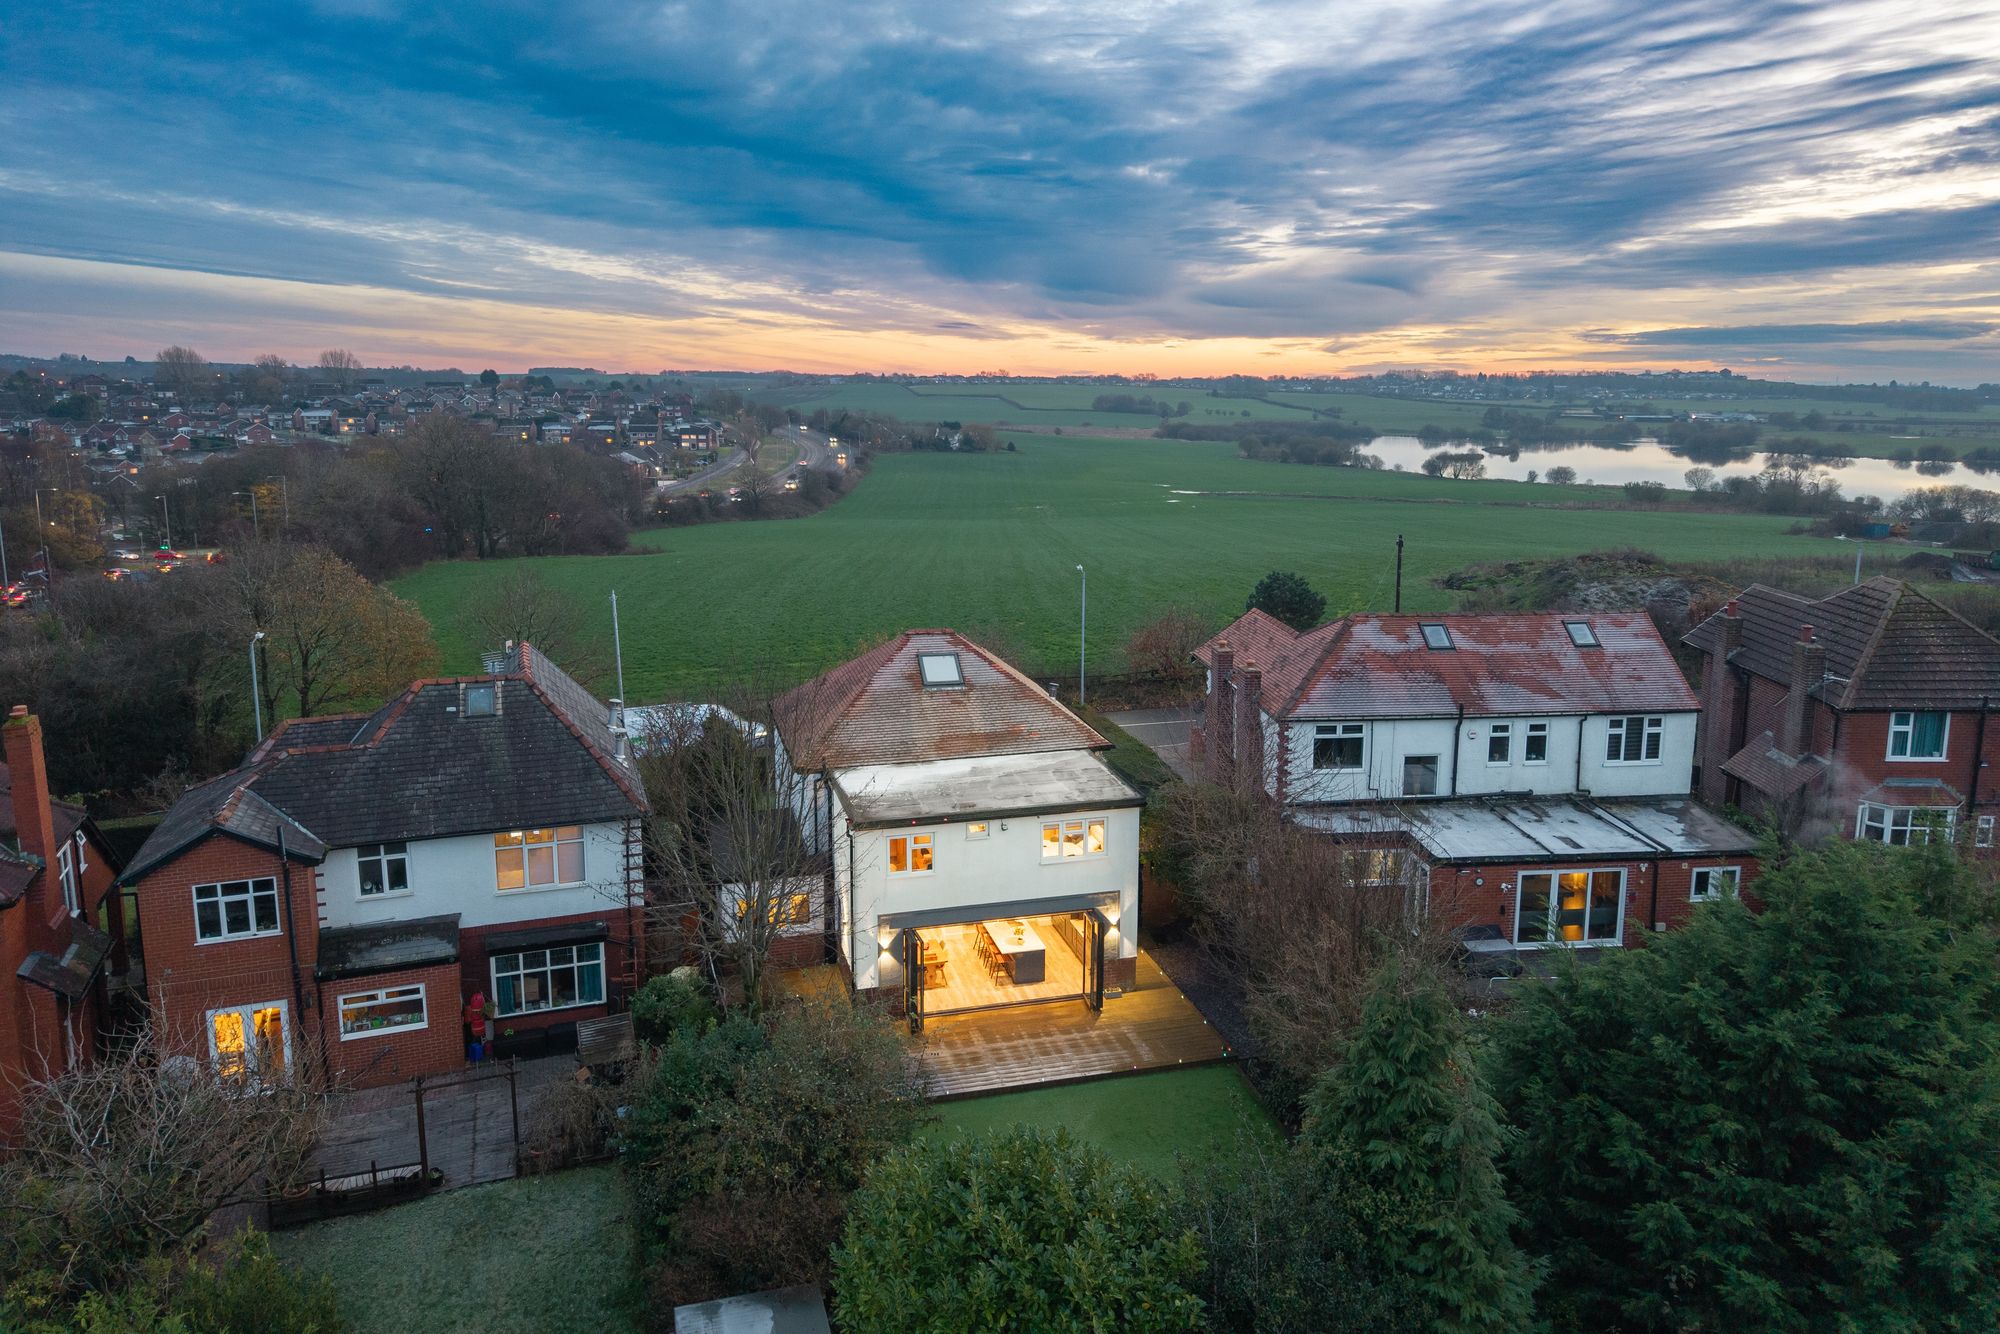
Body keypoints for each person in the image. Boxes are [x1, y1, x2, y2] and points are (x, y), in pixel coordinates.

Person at [463, 990, 489, 1063]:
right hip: (479, 1027)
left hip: (474, 1028)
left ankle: (477, 1055)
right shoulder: (479, 1006)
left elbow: (468, 1020)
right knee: (479, 1041)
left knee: (476, 1041)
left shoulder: (470, 1009)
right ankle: (480, 1054)